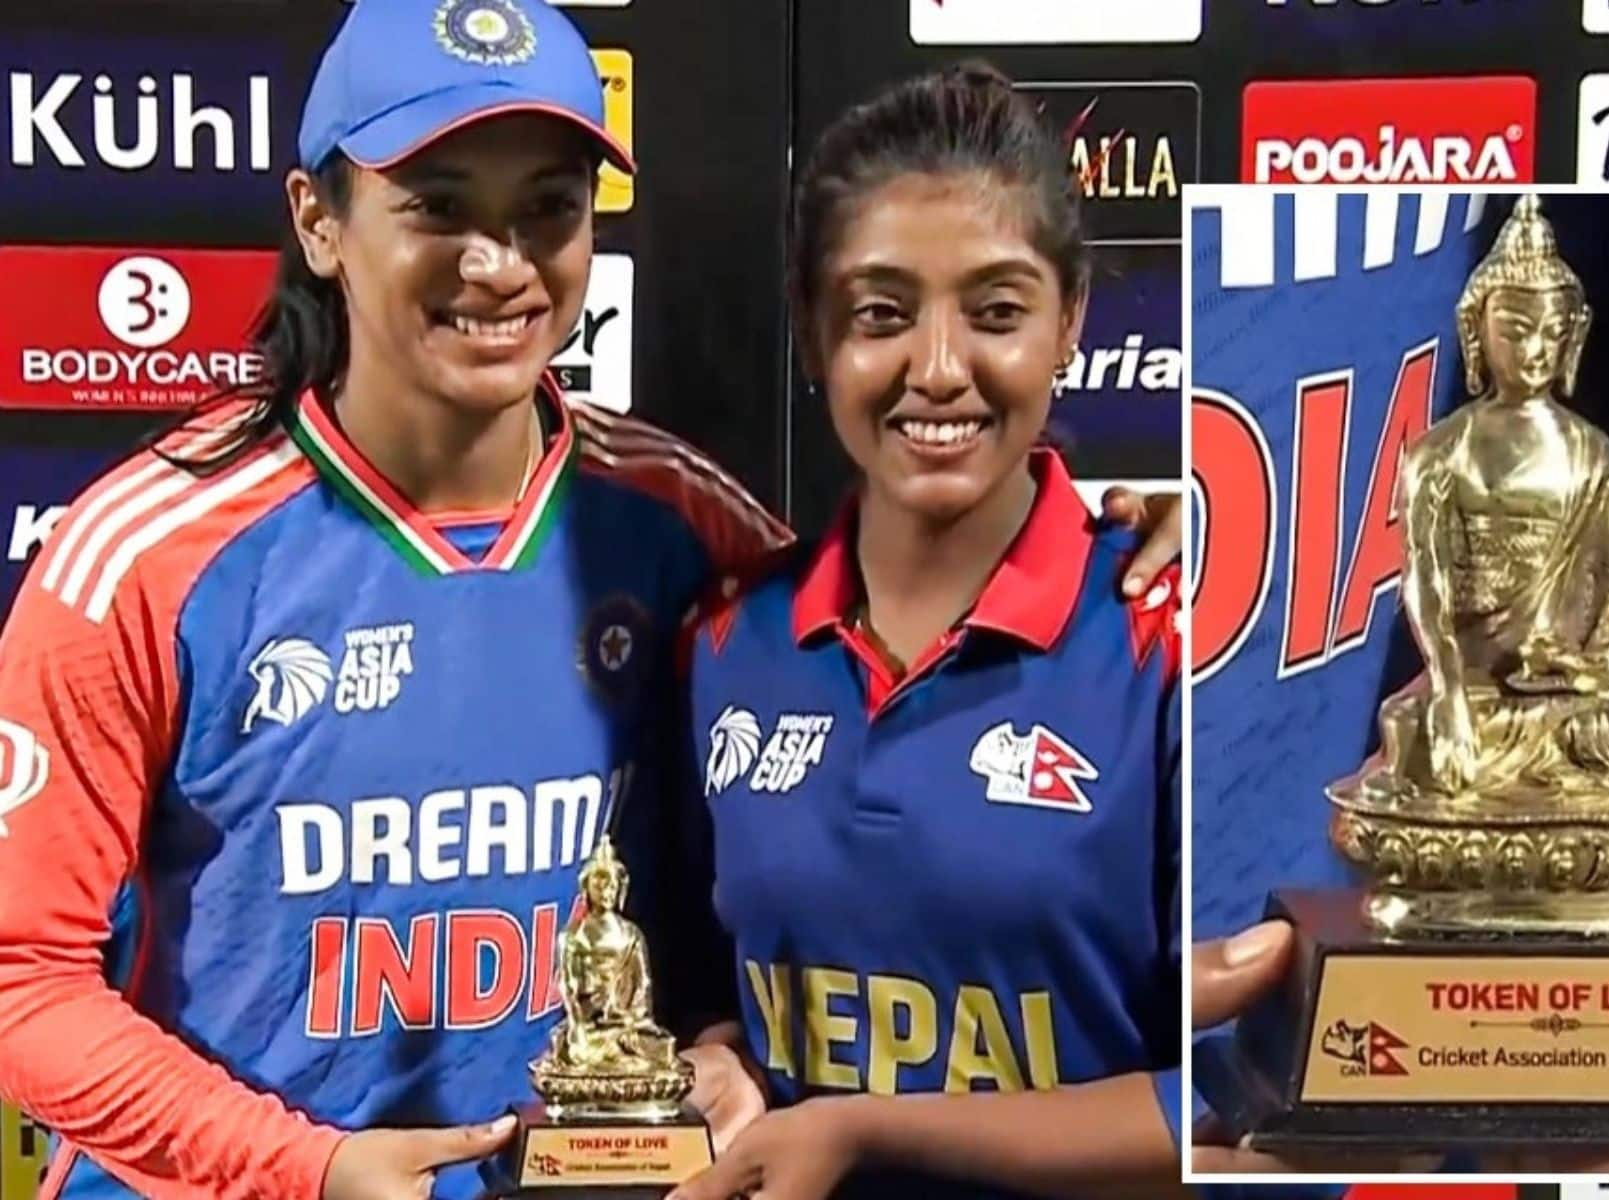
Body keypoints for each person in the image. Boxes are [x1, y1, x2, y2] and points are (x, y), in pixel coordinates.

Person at [0, 5, 1184, 1198]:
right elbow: (22, 979)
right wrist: (306, 1169)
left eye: (548, 209)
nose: (499, 263)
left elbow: (862, 758)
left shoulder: (685, 524)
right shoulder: (145, 556)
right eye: (440, 206)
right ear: (320, 221)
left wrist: (1159, 545)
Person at [1188, 192, 1609, 1176]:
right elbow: (1425, 590)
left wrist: (1590, 676)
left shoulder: (1593, 457)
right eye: (1516, 324)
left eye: (1552, 326)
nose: (1536, 342)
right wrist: (1471, 681)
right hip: (1467, 697)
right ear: (1480, 330)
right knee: (1432, 751)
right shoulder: (1447, 453)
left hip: (1569, 700)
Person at [664, 64, 1183, 1200]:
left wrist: (869, 1131)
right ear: (813, 334)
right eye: (881, 315)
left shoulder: (1177, 640)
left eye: (997, 312)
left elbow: (1244, 1107)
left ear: (1072, 322)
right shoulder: (720, 642)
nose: (939, 369)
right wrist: (719, 1059)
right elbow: (700, 985)